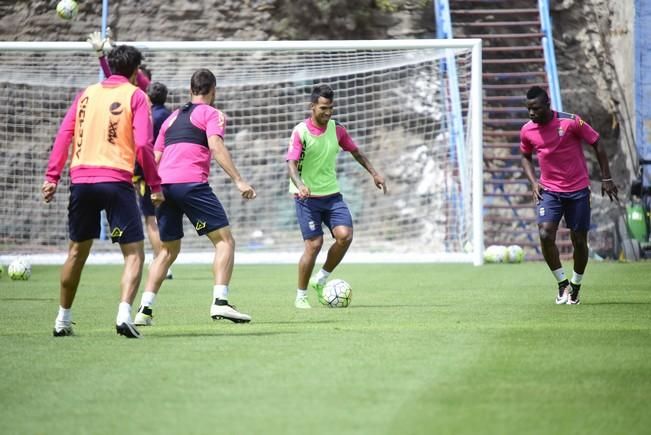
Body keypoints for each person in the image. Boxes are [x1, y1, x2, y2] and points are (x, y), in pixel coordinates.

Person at [42, 45, 164, 338]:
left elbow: (64, 134)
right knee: (134, 254)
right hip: (116, 182)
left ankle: (62, 319)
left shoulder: (86, 93)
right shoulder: (136, 96)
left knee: (75, 253)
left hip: (81, 181)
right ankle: (124, 315)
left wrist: (52, 176)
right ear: (137, 72)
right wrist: (155, 185)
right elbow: (145, 145)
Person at [134, 68, 256, 326]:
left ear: (190, 90)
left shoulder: (172, 117)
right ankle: (220, 303)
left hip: (165, 186)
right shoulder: (211, 113)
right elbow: (216, 145)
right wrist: (238, 179)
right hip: (190, 185)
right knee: (225, 242)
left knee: (166, 252)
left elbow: (154, 157)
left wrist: (154, 188)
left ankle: (144, 310)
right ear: (213, 91)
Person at [286, 84, 386, 309]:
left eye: (331, 107)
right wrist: (300, 185)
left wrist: (375, 173)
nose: (328, 112)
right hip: (306, 197)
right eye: (323, 108)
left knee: (345, 236)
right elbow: (290, 165)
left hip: (331, 195)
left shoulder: (337, 129)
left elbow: (356, 152)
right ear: (312, 106)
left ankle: (320, 279)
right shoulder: (300, 131)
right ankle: (301, 296)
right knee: (314, 244)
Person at [520, 86, 618, 305]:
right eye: (528, 109)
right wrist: (534, 181)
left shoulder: (571, 121)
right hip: (549, 191)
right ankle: (562, 283)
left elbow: (597, 143)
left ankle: (575, 286)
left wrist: (607, 178)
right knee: (545, 234)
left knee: (579, 241)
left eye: (535, 109)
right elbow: (525, 156)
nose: (531, 113)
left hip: (577, 190)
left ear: (547, 105)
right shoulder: (527, 130)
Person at [87, 31, 172, 280]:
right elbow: (115, 74)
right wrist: (107, 54)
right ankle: (160, 258)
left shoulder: (139, 96)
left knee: (149, 218)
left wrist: (105, 53)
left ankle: (162, 261)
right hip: (142, 169)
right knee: (150, 216)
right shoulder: (146, 101)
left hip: (142, 169)